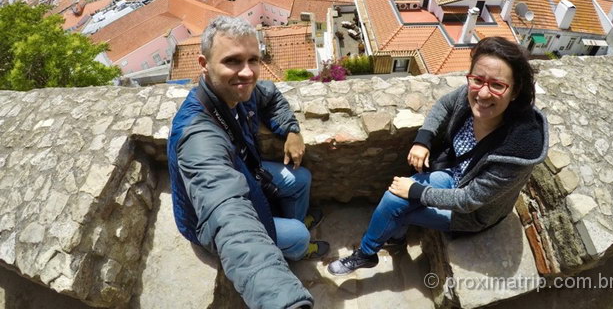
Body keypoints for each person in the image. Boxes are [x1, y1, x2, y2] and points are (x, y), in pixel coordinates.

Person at [328, 36, 548, 275]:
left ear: (515, 91)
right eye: (477, 80)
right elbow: (444, 104)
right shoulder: (471, 92)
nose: (483, 93)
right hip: (453, 174)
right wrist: (423, 139)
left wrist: (415, 191)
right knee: (393, 201)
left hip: (472, 213)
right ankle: (389, 241)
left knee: (398, 207)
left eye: (497, 85)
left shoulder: (518, 150)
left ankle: (368, 252)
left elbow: (469, 200)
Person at [167, 16, 328, 308]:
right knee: (300, 236)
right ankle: (296, 248)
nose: (247, 72)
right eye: (232, 61)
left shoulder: (240, 92)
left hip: (246, 172)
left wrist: (291, 130)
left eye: (253, 60)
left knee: (300, 178)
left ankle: (292, 223)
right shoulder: (197, 134)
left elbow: (272, 96)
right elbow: (227, 214)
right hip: (209, 219)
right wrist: (283, 302)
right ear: (204, 64)